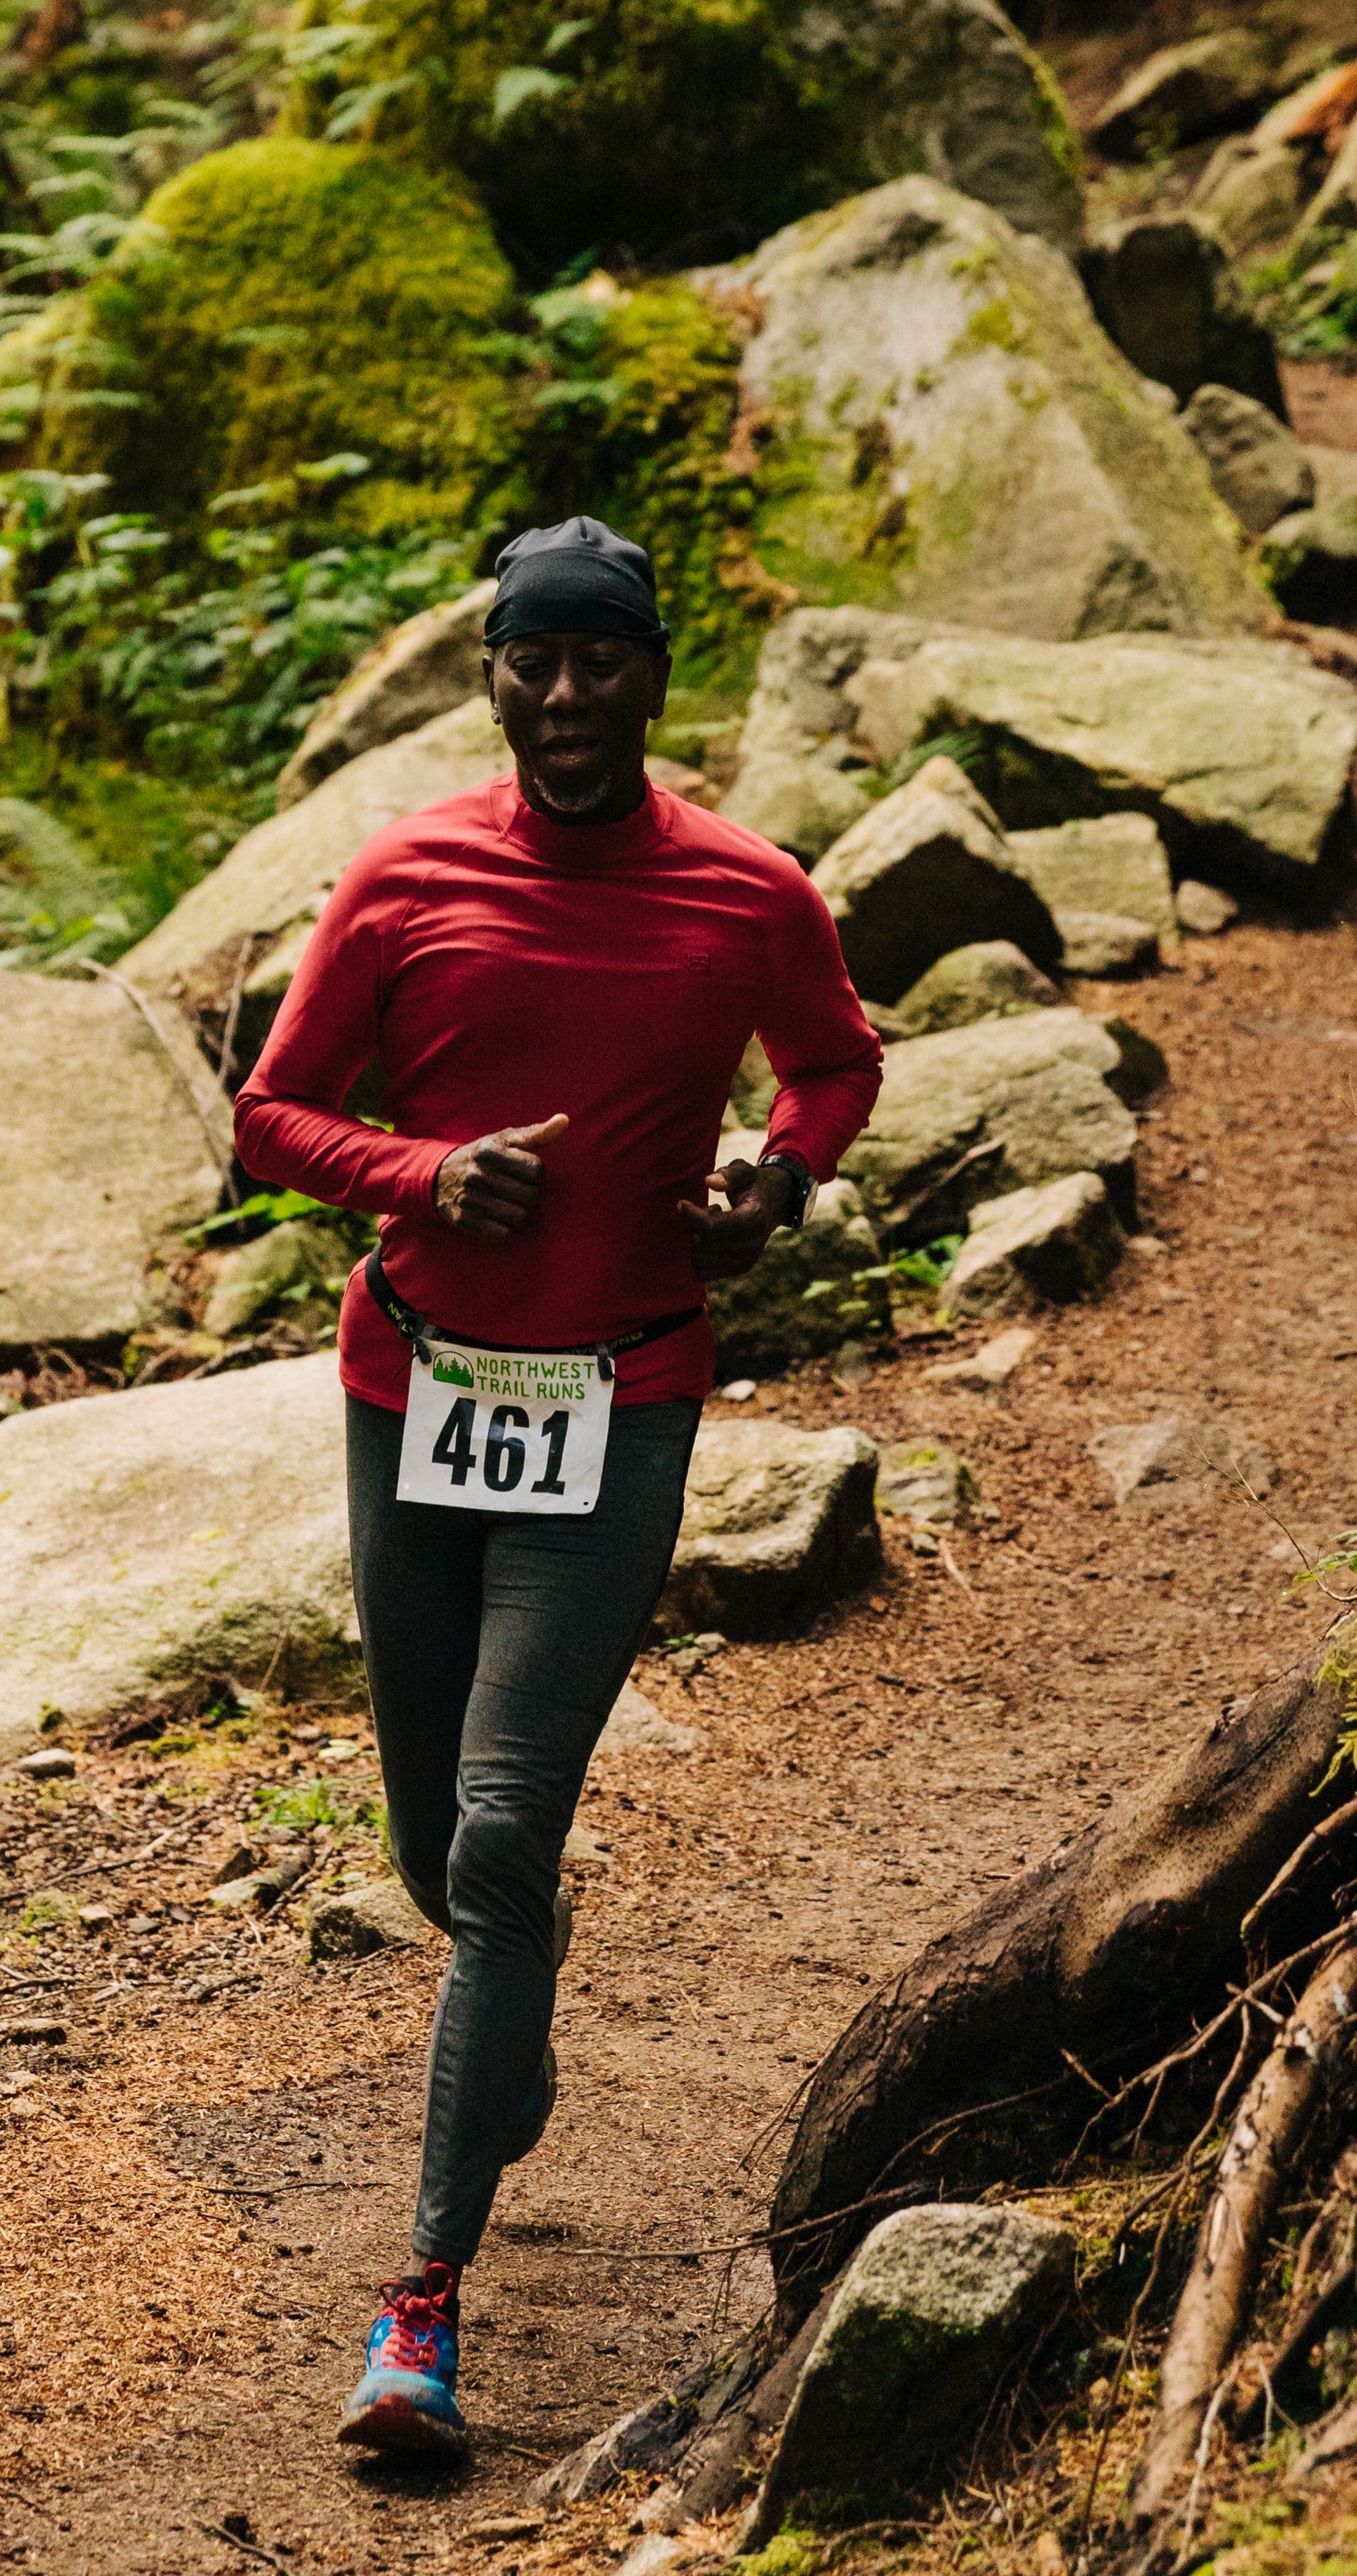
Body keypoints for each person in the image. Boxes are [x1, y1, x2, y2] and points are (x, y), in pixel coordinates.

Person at [231, 515, 884, 2461]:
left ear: (655, 677)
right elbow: (271, 1116)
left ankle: (420, 2309)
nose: (571, 694)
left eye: (605, 659)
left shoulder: (747, 892)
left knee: (507, 1831)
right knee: (436, 1853)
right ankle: (503, 2010)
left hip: (623, 1404)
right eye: (538, 660)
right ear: (495, 677)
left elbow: (834, 1065)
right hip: (415, 1395)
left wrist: (775, 1183)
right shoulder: (406, 875)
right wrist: (422, 1175)